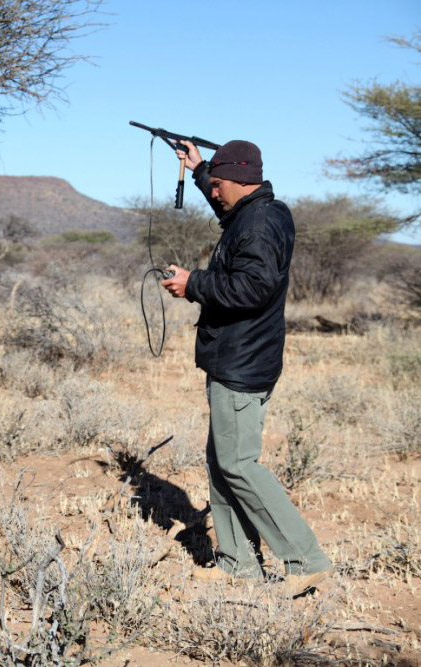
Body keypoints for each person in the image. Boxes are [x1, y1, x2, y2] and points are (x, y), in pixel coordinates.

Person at [162, 139, 332, 597]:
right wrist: (200, 170)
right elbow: (231, 220)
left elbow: (252, 287)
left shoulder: (257, 224)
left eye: (218, 185)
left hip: (242, 361)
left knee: (238, 463)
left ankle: (305, 558)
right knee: (222, 462)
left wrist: (192, 282)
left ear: (238, 179)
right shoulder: (261, 213)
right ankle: (238, 562)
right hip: (240, 355)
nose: (214, 194)